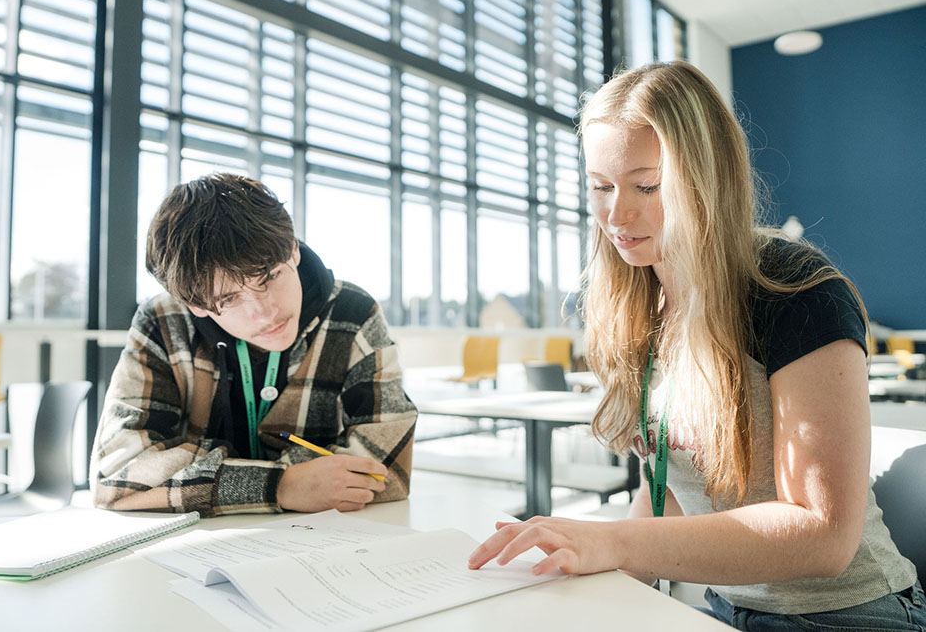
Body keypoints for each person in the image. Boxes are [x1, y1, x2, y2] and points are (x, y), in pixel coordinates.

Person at [468, 62, 925, 629]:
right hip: (728, 605)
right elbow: (668, 493)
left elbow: (824, 536)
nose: (618, 214)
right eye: (600, 187)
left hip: (849, 613)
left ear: (705, 177)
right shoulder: (639, 299)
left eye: (647, 185)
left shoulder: (792, 288)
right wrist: (587, 587)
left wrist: (616, 543)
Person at [90, 173, 417, 516]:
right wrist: (282, 485)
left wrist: (197, 479)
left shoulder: (354, 312)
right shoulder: (162, 319)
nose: (265, 312)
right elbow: (116, 478)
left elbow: (387, 468)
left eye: (271, 276)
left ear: (292, 248)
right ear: (196, 305)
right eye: (229, 298)